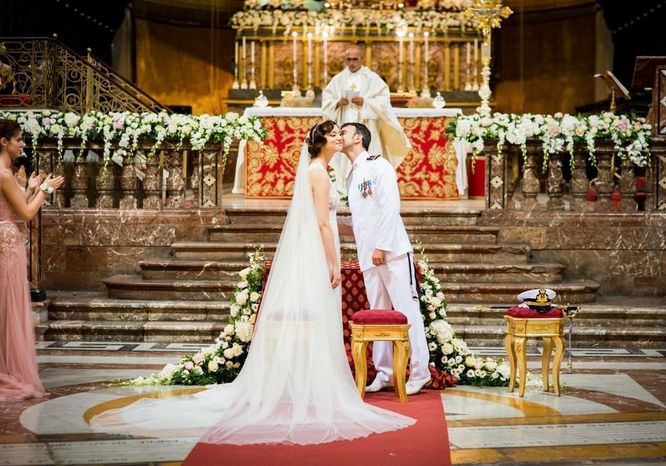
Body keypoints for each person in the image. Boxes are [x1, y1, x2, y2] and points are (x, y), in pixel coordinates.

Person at [89, 120, 415, 445]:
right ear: (322, 143)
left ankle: (315, 381)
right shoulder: (319, 172)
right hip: (318, 251)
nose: (339, 138)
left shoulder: (326, 170)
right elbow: (322, 225)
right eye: (333, 135)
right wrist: (334, 263)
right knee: (319, 312)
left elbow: (334, 220)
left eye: (340, 134)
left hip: (323, 247)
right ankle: (315, 384)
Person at [337, 122, 431, 396]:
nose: (339, 136)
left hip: (392, 253)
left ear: (358, 138)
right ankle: (385, 372)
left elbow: (390, 208)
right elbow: (361, 220)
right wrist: (329, 222)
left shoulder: (379, 166)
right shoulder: (351, 175)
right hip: (369, 255)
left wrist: (381, 246)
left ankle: (420, 372)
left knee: (406, 310)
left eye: (343, 132)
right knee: (379, 313)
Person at [0, 119, 63, 401]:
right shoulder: (3, 174)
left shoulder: (6, 173)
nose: (22, 144)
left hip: (8, 239)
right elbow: (25, 215)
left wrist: (31, 189)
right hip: (7, 244)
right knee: (8, 307)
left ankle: (7, 367)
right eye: (18, 139)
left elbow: (12, 207)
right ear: (4, 142)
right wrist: (46, 190)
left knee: (7, 307)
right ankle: (8, 371)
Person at [322, 45, 411, 193]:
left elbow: (384, 101)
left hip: (367, 127)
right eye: (348, 59)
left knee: (367, 156)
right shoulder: (339, 79)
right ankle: (345, 190)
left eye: (355, 59)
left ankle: (369, 188)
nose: (352, 63)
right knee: (345, 160)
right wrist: (337, 103)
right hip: (345, 127)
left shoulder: (372, 78)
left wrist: (366, 102)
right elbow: (326, 101)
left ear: (361, 59)